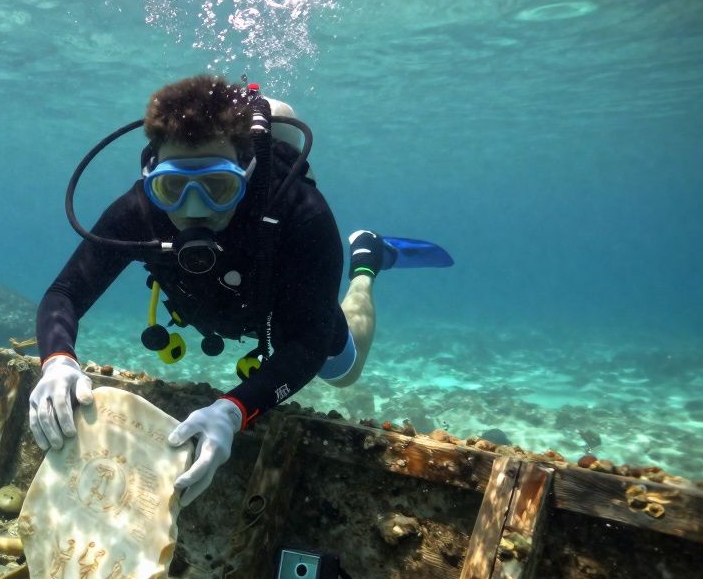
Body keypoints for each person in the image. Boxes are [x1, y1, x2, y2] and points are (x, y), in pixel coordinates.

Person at [28, 75, 450, 507]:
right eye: (173, 188)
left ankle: (368, 261)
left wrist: (233, 411)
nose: (195, 210)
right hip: (211, 306)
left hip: (280, 309)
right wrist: (57, 362)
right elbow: (65, 292)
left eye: (218, 187)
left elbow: (310, 341)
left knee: (344, 371)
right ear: (151, 174)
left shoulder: (300, 213)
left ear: (246, 172)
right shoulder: (137, 211)